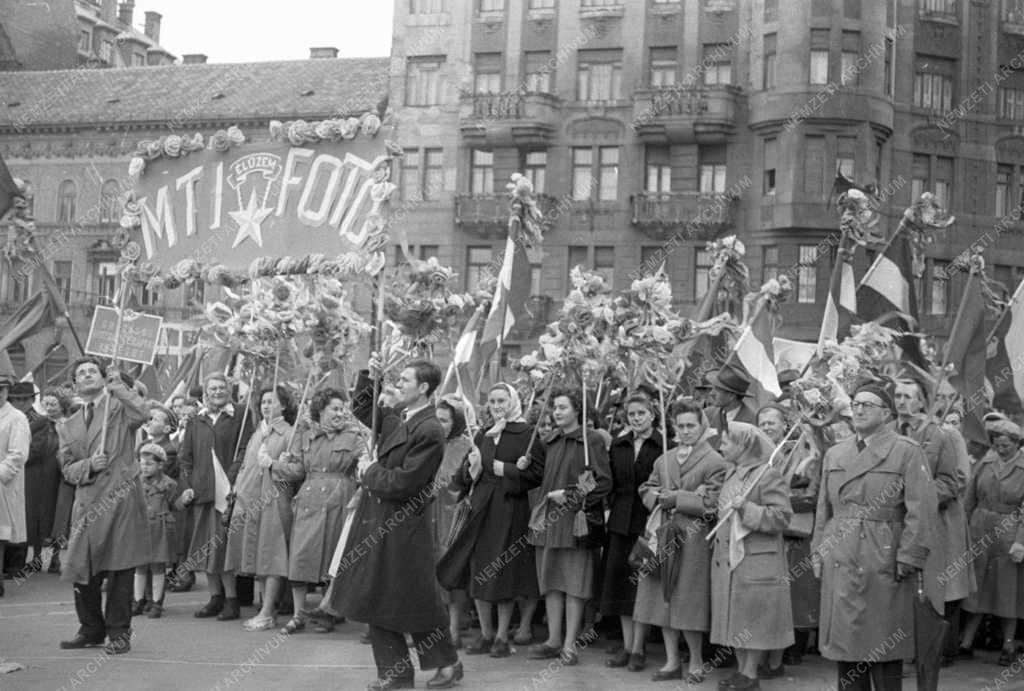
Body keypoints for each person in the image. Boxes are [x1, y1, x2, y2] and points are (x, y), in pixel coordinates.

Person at [332, 361, 462, 690]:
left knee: (407, 598)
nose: (398, 384)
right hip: (380, 521)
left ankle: (437, 664)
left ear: (424, 388)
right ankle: (404, 671)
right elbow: (363, 408)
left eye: (405, 380)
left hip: (403, 526)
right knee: (386, 596)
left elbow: (406, 483)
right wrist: (369, 375)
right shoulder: (402, 419)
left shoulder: (429, 429)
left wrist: (369, 471)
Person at [812, 382, 937, 691]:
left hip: (883, 556)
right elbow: (824, 508)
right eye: (856, 403)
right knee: (845, 646)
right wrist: (818, 550)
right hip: (840, 554)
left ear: (887, 413)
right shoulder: (836, 453)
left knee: (882, 644)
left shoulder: (906, 451)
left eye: (868, 404)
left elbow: (921, 509)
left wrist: (909, 556)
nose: (859, 409)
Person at [58, 358, 150, 655]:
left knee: (119, 571)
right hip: (87, 505)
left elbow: (144, 412)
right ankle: (91, 629)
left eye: (92, 371)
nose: (87, 375)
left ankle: (119, 633)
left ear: (102, 378)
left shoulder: (120, 408)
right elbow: (66, 468)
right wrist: (89, 465)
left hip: (119, 502)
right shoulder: (67, 425)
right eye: (81, 373)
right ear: (75, 384)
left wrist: (118, 387)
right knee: (81, 570)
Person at [632, 398, 726, 683]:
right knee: (663, 597)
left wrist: (678, 498)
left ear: (702, 426)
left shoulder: (715, 461)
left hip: (692, 539)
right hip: (662, 534)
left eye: (691, 426)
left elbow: (713, 503)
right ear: (673, 427)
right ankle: (671, 661)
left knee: (688, 600)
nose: (685, 431)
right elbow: (646, 487)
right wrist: (656, 496)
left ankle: (696, 661)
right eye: (680, 426)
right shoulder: (664, 459)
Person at [456, 382, 543, 658]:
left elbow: (537, 475)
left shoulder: (527, 434)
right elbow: (465, 476)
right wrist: (470, 468)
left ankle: (502, 637)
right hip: (482, 508)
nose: (496, 406)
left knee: (504, 572)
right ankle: (486, 633)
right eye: (492, 401)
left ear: (512, 402)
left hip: (509, 508)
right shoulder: (483, 434)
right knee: (479, 569)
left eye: (502, 401)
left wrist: (507, 469)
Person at [526, 388, 612, 667]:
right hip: (548, 521)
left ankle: (569, 644)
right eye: (555, 407)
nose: (557, 412)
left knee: (575, 584)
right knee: (551, 581)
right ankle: (553, 640)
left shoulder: (591, 440)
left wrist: (572, 495)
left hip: (576, 522)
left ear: (578, 410)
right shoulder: (549, 440)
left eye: (563, 407)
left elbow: (602, 482)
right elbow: (537, 475)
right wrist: (524, 465)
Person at [893, 376, 972, 666]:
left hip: (935, 522)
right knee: (900, 585)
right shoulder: (887, 433)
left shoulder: (941, 435)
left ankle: (934, 652)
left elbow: (953, 481)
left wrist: (916, 496)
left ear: (921, 402)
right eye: (897, 395)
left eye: (907, 396)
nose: (901, 401)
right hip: (897, 522)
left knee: (935, 587)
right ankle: (901, 649)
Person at [710, 421, 793, 690]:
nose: (721, 447)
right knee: (735, 615)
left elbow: (782, 517)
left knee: (752, 617)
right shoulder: (731, 474)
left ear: (743, 445)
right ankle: (742, 670)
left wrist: (747, 509)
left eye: (726, 442)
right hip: (730, 556)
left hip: (756, 557)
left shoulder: (767, 475)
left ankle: (750, 674)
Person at [279, 387, 363, 635]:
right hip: (309, 501)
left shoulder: (354, 436)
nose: (340, 413)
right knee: (300, 557)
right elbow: (297, 471)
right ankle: (298, 615)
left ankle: (329, 613)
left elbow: (366, 464)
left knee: (332, 557)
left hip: (339, 500)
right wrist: (278, 465)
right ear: (320, 410)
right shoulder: (306, 436)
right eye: (335, 409)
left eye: (342, 409)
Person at [601, 392, 671, 670]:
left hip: (648, 522)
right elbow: (609, 481)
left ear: (653, 415)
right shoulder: (619, 444)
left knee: (641, 585)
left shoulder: (664, 445)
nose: (636, 418)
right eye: (631, 414)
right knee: (622, 585)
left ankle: (639, 649)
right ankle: (628, 646)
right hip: (620, 522)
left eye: (641, 413)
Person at [177, 373, 254, 622]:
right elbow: (185, 458)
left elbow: (245, 451)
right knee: (204, 547)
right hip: (201, 493)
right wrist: (187, 486)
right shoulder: (195, 420)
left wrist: (231, 479)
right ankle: (215, 597)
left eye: (222, 388)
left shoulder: (241, 415)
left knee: (222, 548)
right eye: (213, 388)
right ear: (205, 393)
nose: (217, 392)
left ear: (229, 390)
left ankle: (232, 599)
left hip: (228, 492)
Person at [222, 386, 296, 632]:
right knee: (261, 556)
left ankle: (267, 612)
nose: (266, 406)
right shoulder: (257, 433)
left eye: (271, 401)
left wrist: (274, 464)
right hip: (251, 500)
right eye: (263, 402)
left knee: (272, 555)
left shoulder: (290, 433)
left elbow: (297, 470)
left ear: (283, 405)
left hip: (274, 500)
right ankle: (266, 608)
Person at [757, 404, 821, 673]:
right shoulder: (755, 453)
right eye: (762, 423)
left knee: (791, 595)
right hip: (763, 531)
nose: (767, 427)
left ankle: (785, 653)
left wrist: (777, 502)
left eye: (772, 422)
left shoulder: (801, 451)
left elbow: (810, 493)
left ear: (785, 425)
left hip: (791, 532)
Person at [958, 418, 1024, 664]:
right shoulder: (986, 462)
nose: (1000, 449)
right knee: (978, 588)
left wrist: (1020, 541)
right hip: (980, 529)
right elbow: (969, 498)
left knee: (1007, 590)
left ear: (1017, 444)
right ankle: (966, 642)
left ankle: (1008, 645)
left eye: (1006, 445)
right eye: (997, 445)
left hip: (1008, 532)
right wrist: (963, 530)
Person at [434, 397, 475, 648]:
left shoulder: (468, 446)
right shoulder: (429, 443)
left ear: (456, 421)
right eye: (436, 419)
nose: (439, 425)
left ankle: (454, 629)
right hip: (428, 514)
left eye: (444, 420)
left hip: (455, 515)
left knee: (452, 567)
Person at [133, 443, 183, 619]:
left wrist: (184, 500)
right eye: (142, 463)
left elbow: (175, 506)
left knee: (157, 567)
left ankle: (156, 603)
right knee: (139, 566)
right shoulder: (135, 483)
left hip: (160, 530)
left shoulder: (169, 485)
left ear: (161, 464)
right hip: (141, 529)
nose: (144, 467)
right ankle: (138, 601)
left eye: (149, 464)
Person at [24, 387, 67, 574]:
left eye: (53, 404)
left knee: (58, 517)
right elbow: (28, 446)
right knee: (36, 516)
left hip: (59, 476)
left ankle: (56, 559)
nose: (49, 408)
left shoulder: (69, 424)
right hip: (36, 476)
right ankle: (36, 558)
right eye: (46, 404)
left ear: (62, 405)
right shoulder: (39, 423)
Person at [0, 370, 30, 598]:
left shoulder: (16, 418)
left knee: (0, 535)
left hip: (3, 485)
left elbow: (18, 455)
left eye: (1, 390)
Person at [704, 366, 757, 438]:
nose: (711, 393)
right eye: (713, 388)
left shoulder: (752, 422)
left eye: (717, 390)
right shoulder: (707, 414)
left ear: (731, 396)